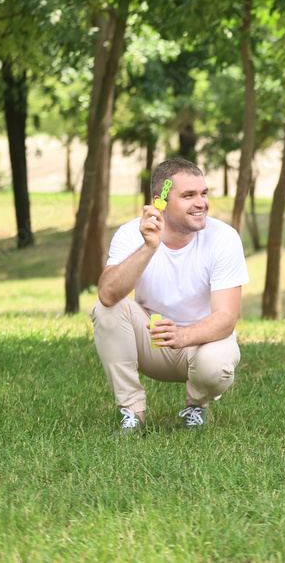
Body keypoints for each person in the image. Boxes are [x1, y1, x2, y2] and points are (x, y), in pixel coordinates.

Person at [91, 158, 249, 435]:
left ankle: (196, 406)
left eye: (203, 193)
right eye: (188, 195)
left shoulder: (225, 238)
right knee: (107, 309)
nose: (201, 203)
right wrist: (149, 246)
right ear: (160, 201)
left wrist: (183, 336)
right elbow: (107, 294)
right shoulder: (132, 233)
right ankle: (133, 414)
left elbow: (226, 318)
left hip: (201, 343)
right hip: (153, 340)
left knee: (217, 366)